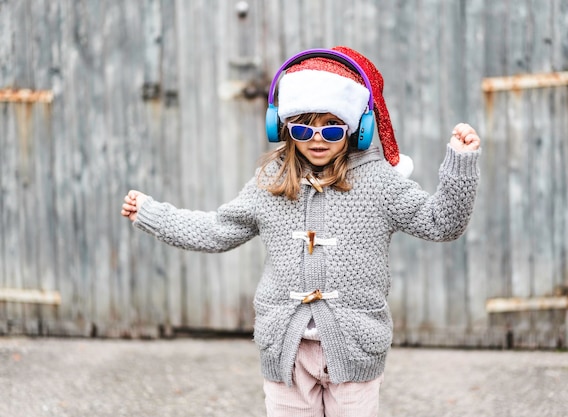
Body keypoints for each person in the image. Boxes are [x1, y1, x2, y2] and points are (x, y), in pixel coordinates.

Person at [121, 46, 480, 417]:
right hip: (286, 352)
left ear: (357, 127)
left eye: (333, 126)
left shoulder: (379, 184)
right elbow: (217, 230)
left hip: (355, 350)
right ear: (283, 127)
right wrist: (152, 214)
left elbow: (443, 223)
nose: (318, 138)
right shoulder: (270, 183)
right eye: (304, 127)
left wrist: (460, 164)